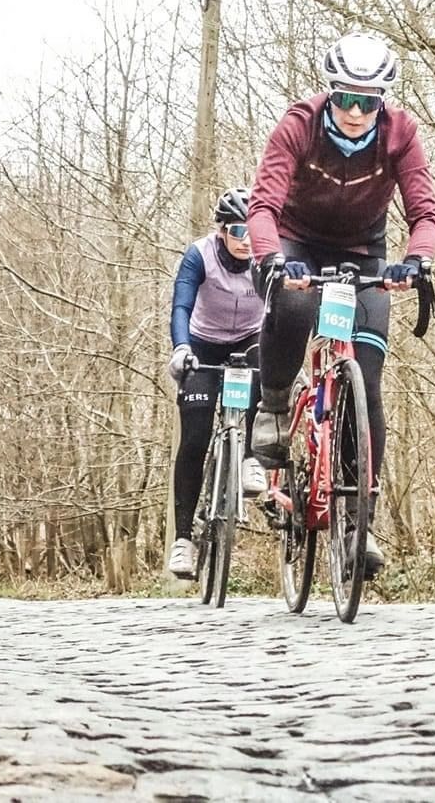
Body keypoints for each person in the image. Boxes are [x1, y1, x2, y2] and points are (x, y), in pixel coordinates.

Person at [246, 32, 435, 575]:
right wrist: (272, 258)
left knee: (368, 380)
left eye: (368, 101)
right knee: (294, 305)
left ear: (383, 102)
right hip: (298, 242)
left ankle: (361, 522)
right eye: (345, 99)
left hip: (364, 253)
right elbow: (262, 205)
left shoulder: (401, 133)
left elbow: (425, 212)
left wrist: (417, 260)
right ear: (329, 94)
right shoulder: (298, 126)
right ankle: (276, 402)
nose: (355, 112)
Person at [166, 186, 271, 579]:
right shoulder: (200, 255)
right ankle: (183, 541)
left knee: (268, 366)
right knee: (193, 438)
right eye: (237, 232)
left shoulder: (265, 256)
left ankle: (250, 459)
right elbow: (181, 304)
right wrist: (181, 348)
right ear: (222, 231)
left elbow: (282, 312)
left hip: (249, 340)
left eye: (252, 232)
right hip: (203, 345)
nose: (245, 242)